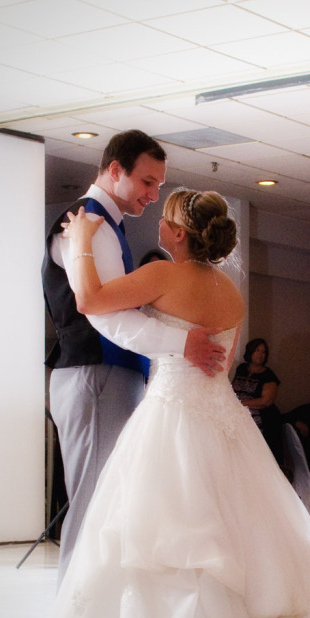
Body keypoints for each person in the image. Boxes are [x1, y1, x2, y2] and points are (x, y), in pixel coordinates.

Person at [31, 188, 310, 618]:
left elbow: (90, 300)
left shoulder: (163, 275)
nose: (158, 225)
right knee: (237, 539)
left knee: (163, 540)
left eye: (164, 219)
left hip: (172, 415)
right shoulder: (231, 291)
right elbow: (221, 364)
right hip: (225, 420)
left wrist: (83, 241)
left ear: (179, 233)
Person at [42, 129, 224, 586]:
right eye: (147, 182)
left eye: (158, 185)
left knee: (109, 499)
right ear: (115, 170)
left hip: (105, 373)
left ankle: (93, 609)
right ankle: (74, 609)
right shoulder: (89, 223)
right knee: (94, 500)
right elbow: (104, 315)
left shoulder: (105, 224)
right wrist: (182, 343)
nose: (153, 195)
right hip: (95, 373)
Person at [232, 337, 283, 463]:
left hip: (261, 416)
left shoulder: (268, 375)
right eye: (257, 350)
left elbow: (266, 401)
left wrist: (241, 404)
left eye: (263, 352)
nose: (260, 354)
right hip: (238, 412)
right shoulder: (242, 368)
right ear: (250, 352)